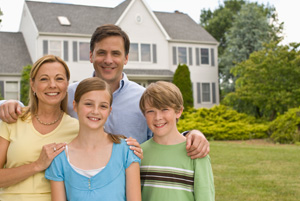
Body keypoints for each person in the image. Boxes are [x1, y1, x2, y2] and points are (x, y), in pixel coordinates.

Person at [0, 24, 209, 158]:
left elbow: (165, 135)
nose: (108, 60)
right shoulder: (70, 94)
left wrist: (192, 134)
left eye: (116, 54)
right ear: (91, 56)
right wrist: (9, 105)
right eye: (101, 53)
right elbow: (39, 110)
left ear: (126, 58)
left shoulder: (143, 98)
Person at [45, 77, 141, 201]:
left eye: (103, 106)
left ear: (109, 111)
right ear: (75, 105)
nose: (95, 111)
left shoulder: (126, 151)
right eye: (88, 104)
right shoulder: (60, 158)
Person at [0, 55, 79, 201]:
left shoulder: (77, 128)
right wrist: (37, 165)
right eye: (44, 79)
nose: (52, 85)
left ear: (67, 84)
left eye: (59, 78)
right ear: (33, 84)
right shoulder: (13, 119)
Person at [139, 81, 215, 201]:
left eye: (164, 109)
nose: (158, 117)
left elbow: (205, 196)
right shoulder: (139, 153)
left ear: (178, 111)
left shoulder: (196, 152)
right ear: (144, 114)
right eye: (150, 111)